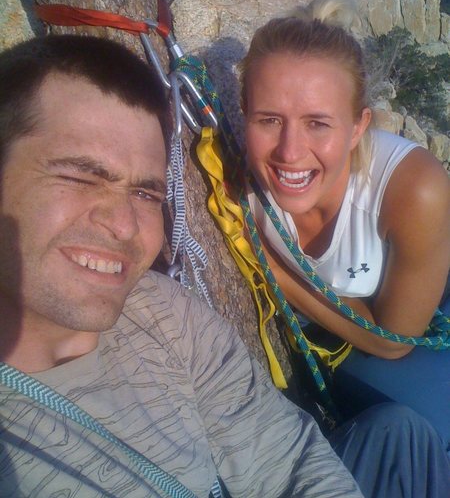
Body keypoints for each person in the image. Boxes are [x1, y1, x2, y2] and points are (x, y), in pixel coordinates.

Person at [0, 35, 448, 498]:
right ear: (244, 117)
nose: (123, 225)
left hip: (390, 326)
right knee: (400, 430)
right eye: (79, 175)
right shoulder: (240, 189)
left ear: (358, 127)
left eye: (145, 193)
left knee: (404, 429)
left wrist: (271, 274)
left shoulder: (165, 313)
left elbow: (285, 452)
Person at [240, 0, 450, 452]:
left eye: (318, 123)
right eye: (269, 120)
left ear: (358, 127)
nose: (289, 152)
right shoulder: (234, 181)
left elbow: (394, 341)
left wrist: (277, 273)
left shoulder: (413, 189)